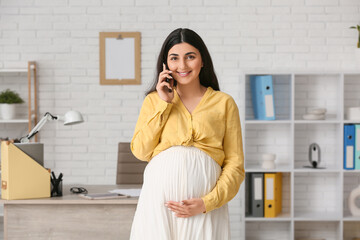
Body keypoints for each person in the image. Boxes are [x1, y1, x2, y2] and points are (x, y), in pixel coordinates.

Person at [130, 28, 245, 240]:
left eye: (190, 57)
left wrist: (207, 202)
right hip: (158, 203)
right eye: (174, 58)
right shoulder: (154, 101)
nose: (182, 66)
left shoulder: (224, 103)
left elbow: (235, 166)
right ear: (165, 64)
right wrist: (164, 103)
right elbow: (141, 151)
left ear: (202, 61)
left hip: (204, 206)